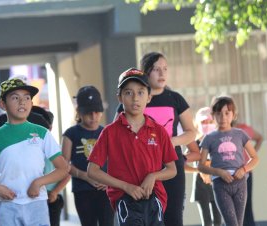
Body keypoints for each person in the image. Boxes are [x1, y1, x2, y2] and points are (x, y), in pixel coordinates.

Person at [88, 68, 178, 226]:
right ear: (120, 97)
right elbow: (92, 170)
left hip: (155, 197)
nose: (135, 98)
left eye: (141, 92)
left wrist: (153, 176)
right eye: (129, 93)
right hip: (124, 199)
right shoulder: (109, 132)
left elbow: (172, 169)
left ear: (149, 97)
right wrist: (126, 187)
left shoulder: (159, 131)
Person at [115, 52, 196, 226]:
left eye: (165, 69)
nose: (162, 74)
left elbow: (191, 132)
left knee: (173, 217)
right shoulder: (133, 100)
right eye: (156, 69)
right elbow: (116, 136)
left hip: (170, 166)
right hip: (139, 169)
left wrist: (169, 142)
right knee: (145, 217)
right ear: (146, 72)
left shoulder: (175, 98)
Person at [0, 78, 68, 225]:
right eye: (15, 98)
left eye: (26, 97)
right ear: (2, 104)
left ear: (31, 103)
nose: (22, 102)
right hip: (7, 205)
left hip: (37, 203)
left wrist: (39, 182)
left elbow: (63, 168)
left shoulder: (42, 133)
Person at [198, 95, 259, 226]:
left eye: (227, 113)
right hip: (221, 184)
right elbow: (201, 166)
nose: (223, 117)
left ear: (233, 114)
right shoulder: (209, 138)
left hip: (240, 183)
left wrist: (244, 169)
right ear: (213, 115)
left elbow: (255, 158)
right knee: (232, 223)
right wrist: (218, 172)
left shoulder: (240, 134)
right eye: (219, 114)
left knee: (239, 223)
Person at [62, 85, 114, 226]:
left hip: (106, 188)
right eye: (88, 113)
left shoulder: (107, 132)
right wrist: (85, 176)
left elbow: (116, 161)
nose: (93, 117)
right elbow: (64, 165)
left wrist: (108, 179)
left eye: (97, 112)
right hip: (82, 189)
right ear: (79, 111)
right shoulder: (71, 134)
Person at [188, 107, 222, 226]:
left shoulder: (220, 141)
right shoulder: (194, 143)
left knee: (218, 221)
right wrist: (198, 170)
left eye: (210, 121)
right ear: (197, 124)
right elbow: (181, 163)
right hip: (200, 187)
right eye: (203, 122)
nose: (207, 124)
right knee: (206, 222)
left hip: (218, 185)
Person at [44, 110, 71, 226]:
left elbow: (67, 173)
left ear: (50, 127)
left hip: (51, 198)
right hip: (32, 197)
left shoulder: (56, 149)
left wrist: (54, 192)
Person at [233, 119, 263, 226]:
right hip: (227, 174)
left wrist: (252, 153)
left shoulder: (244, 129)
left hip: (245, 172)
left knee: (246, 206)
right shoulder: (219, 132)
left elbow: (260, 138)